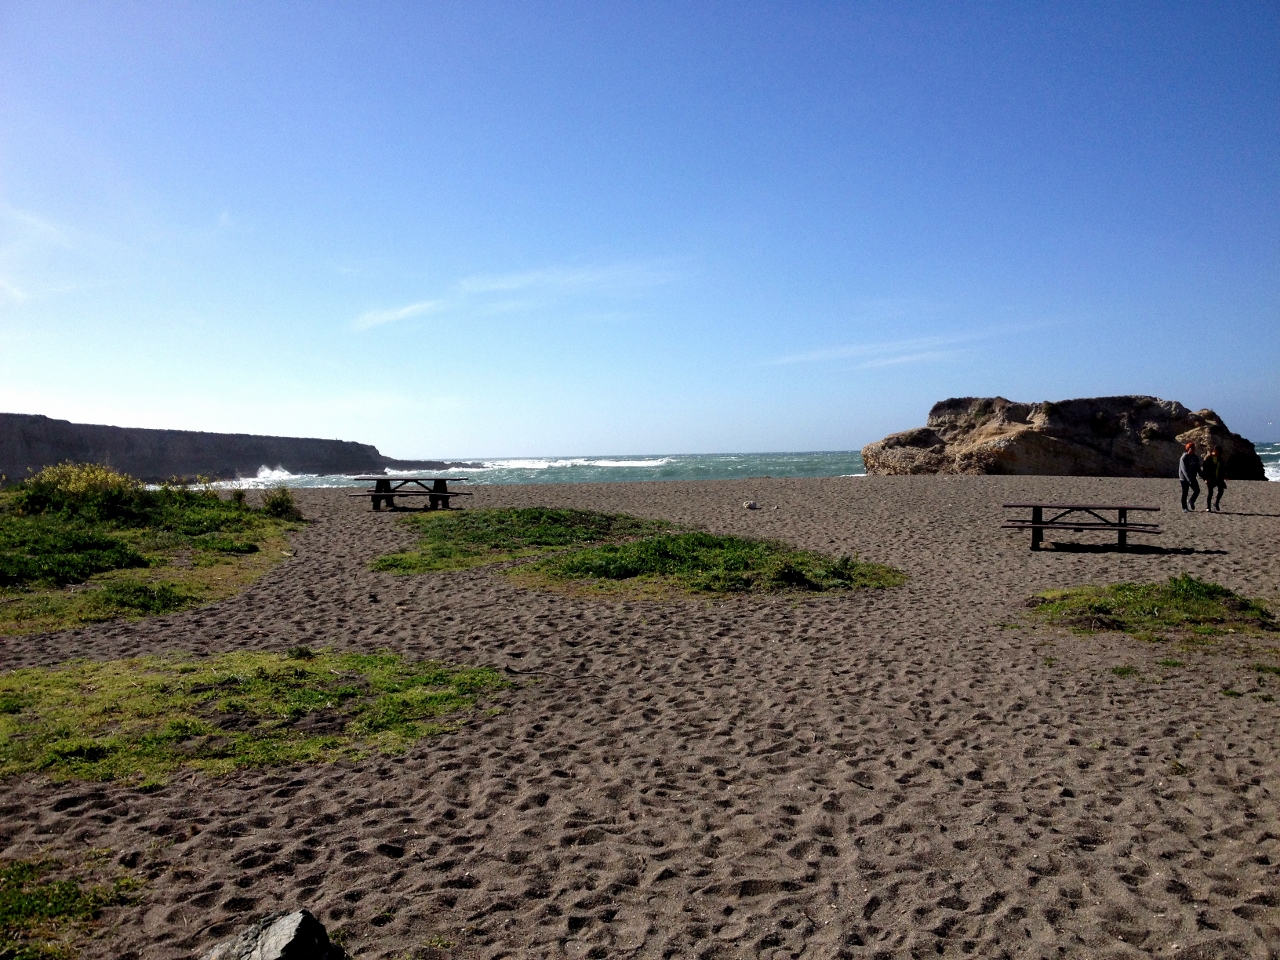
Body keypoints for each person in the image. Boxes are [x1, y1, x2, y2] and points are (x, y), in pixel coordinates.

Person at [1201, 445, 1226, 512]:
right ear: (1212, 451)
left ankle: (1216, 503)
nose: (1216, 453)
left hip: (1218, 478)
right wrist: (1205, 478)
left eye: (1218, 452)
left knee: (1221, 490)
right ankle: (1208, 507)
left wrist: (1224, 476)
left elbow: (1222, 469)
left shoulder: (1220, 459)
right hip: (1210, 478)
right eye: (1215, 451)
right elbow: (1205, 470)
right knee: (1210, 492)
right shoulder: (1208, 459)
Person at [1179, 442, 1201, 512]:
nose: (1193, 449)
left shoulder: (1195, 457)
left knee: (1197, 490)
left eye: (1194, 448)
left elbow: (1198, 468)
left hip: (1192, 477)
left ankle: (1191, 501)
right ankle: (1184, 508)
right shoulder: (1184, 457)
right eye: (1192, 448)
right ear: (1188, 449)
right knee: (1185, 492)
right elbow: (1184, 470)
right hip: (1184, 478)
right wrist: (1189, 479)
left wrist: (1203, 476)